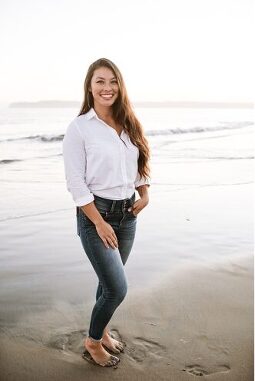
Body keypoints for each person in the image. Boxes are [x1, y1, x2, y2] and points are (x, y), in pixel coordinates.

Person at [63, 58, 150, 367]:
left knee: (106, 283)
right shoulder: (79, 128)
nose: (107, 88)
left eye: (113, 81)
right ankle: (92, 341)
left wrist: (145, 191)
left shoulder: (128, 121)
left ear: (120, 86)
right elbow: (76, 182)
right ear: (90, 86)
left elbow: (136, 163)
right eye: (100, 81)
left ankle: (102, 332)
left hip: (127, 216)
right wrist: (98, 223)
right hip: (94, 215)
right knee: (117, 288)